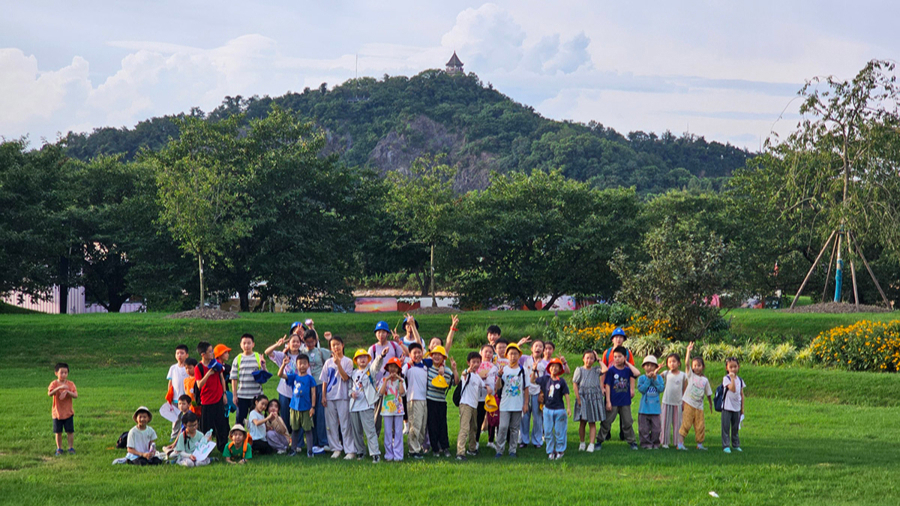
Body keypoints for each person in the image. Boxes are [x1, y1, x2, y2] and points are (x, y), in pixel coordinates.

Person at [599, 346, 641, 450]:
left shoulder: (627, 370)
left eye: (619, 356)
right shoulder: (611, 370)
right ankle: (599, 440)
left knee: (627, 422)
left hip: (625, 402)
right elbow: (608, 386)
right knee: (607, 422)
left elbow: (637, 373)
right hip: (613, 402)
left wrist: (628, 364)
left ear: (625, 357)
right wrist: (608, 401)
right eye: (615, 357)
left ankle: (632, 441)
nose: (617, 359)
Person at [369, 321, 407, 435]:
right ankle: (375, 439)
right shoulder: (373, 349)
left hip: (393, 385)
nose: (381, 335)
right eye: (378, 332)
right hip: (379, 385)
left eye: (383, 332)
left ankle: (395, 438)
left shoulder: (394, 346)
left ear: (387, 334)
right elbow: (370, 368)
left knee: (393, 411)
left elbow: (404, 355)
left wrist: (401, 361)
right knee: (377, 414)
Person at [321, 336, 356, 459]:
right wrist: (323, 395)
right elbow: (325, 380)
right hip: (330, 397)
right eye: (333, 345)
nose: (336, 347)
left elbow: (346, 378)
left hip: (343, 396)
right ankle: (336, 448)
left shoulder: (348, 361)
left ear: (343, 345)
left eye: (338, 344)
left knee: (345, 424)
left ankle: (350, 450)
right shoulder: (328, 362)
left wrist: (338, 364)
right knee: (331, 424)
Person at [350, 348, 386, 463]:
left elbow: (376, 365)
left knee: (370, 431)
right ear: (356, 360)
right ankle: (360, 451)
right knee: (356, 431)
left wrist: (381, 356)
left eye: (364, 357)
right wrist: (351, 394)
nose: (362, 360)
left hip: (367, 405)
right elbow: (349, 387)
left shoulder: (370, 371)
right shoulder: (353, 373)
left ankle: (375, 453)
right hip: (354, 406)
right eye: (359, 358)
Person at [277, 353, 317, 457]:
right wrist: (283, 365)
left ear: (308, 365)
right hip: (294, 407)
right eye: (300, 364)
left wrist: (312, 407)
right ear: (296, 365)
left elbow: (313, 393)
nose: (302, 366)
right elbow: (280, 375)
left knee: (308, 429)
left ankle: (310, 450)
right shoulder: (294, 377)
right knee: (294, 429)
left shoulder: (310, 378)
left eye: (304, 364)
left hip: (306, 408)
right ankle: (293, 449)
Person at [494, 343, 530, 458]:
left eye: (515, 354)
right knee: (503, 427)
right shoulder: (503, 370)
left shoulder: (523, 370)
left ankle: (512, 450)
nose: (513, 356)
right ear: (507, 356)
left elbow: (526, 388)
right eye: (511, 354)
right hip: (505, 404)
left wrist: (525, 404)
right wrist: (499, 376)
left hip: (518, 404)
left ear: (519, 355)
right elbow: (498, 387)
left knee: (515, 428)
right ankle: (499, 450)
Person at [599, 328, 634, 442]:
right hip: (610, 386)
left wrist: (632, 389)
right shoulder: (607, 353)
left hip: (623, 388)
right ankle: (605, 434)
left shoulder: (627, 353)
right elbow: (603, 370)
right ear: (612, 339)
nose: (618, 339)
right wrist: (602, 386)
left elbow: (632, 373)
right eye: (616, 337)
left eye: (621, 337)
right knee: (608, 412)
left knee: (625, 414)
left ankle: (624, 434)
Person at [264, 333, 304, 432]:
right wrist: (277, 344)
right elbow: (267, 352)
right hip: (284, 391)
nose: (295, 344)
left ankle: (296, 439)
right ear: (289, 343)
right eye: (293, 341)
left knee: (297, 417)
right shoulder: (283, 355)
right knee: (284, 416)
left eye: (297, 342)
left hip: (298, 392)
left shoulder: (303, 356)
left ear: (300, 344)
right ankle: (285, 437)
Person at [678, 342, 714, 451]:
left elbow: (708, 393)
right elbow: (687, 364)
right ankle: (680, 444)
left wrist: (710, 404)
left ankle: (700, 444)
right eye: (695, 366)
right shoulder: (691, 376)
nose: (697, 368)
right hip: (689, 403)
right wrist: (688, 351)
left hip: (699, 406)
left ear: (703, 367)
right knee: (686, 423)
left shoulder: (705, 380)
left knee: (700, 425)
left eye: (699, 365)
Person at [196, 341, 230, 453]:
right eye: (210, 351)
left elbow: (221, 377)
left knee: (222, 427)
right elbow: (199, 384)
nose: (212, 354)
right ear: (203, 354)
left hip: (218, 399)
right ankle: (205, 450)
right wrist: (208, 373)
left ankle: (223, 448)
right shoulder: (199, 367)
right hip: (206, 402)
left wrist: (224, 394)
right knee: (206, 428)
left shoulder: (215, 363)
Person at [425, 346, 458, 457]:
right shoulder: (428, 369)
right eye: (434, 354)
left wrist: (454, 370)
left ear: (443, 357)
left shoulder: (448, 371)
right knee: (432, 426)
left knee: (442, 425)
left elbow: (455, 382)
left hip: (441, 401)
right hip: (430, 400)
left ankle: (445, 447)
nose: (437, 356)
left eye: (440, 355)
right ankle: (435, 449)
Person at [301, 329, 331, 450]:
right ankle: (312, 442)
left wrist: (330, 340)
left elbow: (335, 353)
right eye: (307, 342)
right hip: (307, 386)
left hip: (319, 384)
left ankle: (323, 441)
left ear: (316, 340)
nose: (310, 345)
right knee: (310, 414)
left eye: (312, 342)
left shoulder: (320, 351)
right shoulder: (302, 352)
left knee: (320, 414)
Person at [573, 350, 607, 453]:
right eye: (587, 358)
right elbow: (575, 384)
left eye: (591, 358)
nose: (589, 360)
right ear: (583, 359)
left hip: (594, 398)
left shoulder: (596, 370)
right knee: (582, 422)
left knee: (592, 422)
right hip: (583, 398)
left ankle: (591, 444)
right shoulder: (579, 370)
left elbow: (605, 369)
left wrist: (599, 359)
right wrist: (578, 398)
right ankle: (582, 443)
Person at [536, 358, 570, 460]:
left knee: (560, 431)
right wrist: (534, 370)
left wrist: (568, 408)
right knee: (547, 431)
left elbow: (567, 394)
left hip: (559, 409)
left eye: (556, 366)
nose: (554, 368)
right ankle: (550, 451)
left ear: (560, 369)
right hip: (547, 409)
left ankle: (560, 450)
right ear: (548, 368)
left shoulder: (562, 381)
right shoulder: (545, 379)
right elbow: (533, 380)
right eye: (552, 366)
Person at [232, 334, 266, 425]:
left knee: (256, 419)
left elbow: (264, 374)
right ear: (240, 345)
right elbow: (234, 379)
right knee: (240, 420)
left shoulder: (258, 356)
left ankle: (256, 438)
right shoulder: (237, 359)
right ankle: (238, 438)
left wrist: (263, 365)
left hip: (256, 395)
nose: (246, 345)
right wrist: (234, 395)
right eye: (244, 343)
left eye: (249, 343)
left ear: (253, 344)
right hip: (242, 395)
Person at [456, 352, 485, 461]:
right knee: (464, 428)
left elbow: (484, 385)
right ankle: (460, 452)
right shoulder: (467, 374)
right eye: (473, 362)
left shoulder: (477, 377)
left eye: (478, 362)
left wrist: (490, 388)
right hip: (465, 404)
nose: (476, 364)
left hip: (474, 406)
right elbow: (464, 373)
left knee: (474, 428)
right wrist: (468, 370)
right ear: (468, 363)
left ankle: (472, 449)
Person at [403, 342, 429, 459]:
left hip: (424, 399)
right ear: (410, 354)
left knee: (422, 426)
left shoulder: (424, 366)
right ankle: (413, 450)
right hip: (413, 399)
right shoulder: (408, 367)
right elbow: (401, 374)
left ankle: (419, 446)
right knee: (415, 425)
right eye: (415, 353)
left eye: (419, 352)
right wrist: (407, 364)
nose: (417, 355)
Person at [378, 358, 406, 462]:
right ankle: (389, 454)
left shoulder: (401, 380)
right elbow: (381, 392)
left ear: (399, 369)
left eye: (395, 367)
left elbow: (402, 393)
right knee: (388, 432)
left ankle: (398, 454)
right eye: (391, 367)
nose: (393, 369)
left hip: (398, 410)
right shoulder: (384, 379)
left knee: (398, 432)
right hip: (387, 410)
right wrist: (386, 380)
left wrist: (400, 380)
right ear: (388, 368)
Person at [48, 362, 78, 456]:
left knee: (70, 431)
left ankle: (71, 448)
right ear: (56, 373)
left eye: (66, 372)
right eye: (62, 372)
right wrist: (59, 388)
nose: (64, 374)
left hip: (68, 413)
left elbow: (76, 395)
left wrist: (68, 392)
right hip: (57, 413)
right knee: (58, 432)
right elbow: (50, 393)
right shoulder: (54, 383)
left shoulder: (70, 384)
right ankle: (59, 448)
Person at [519, 340, 544, 449]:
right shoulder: (525, 359)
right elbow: (511, 354)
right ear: (531, 349)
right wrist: (519, 344)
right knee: (524, 416)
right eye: (536, 346)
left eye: (540, 346)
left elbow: (546, 380)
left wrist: (542, 394)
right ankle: (524, 440)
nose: (538, 348)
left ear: (543, 349)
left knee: (537, 417)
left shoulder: (545, 363)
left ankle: (537, 440)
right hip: (525, 392)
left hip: (537, 392)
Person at [637, 355, 666, 449]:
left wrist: (654, 379)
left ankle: (655, 443)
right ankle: (646, 444)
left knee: (656, 429)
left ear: (655, 367)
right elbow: (642, 389)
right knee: (643, 429)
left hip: (655, 409)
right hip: (644, 409)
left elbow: (661, 388)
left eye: (652, 365)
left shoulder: (659, 378)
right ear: (643, 367)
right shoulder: (641, 378)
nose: (649, 367)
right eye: (647, 365)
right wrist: (648, 379)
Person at [659, 353, 686, 449]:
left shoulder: (683, 375)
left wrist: (684, 402)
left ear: (679, 363)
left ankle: (677, 442)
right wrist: (658, 368)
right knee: (665, 422)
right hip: (666, 401)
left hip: (678, 402)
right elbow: (655, 377)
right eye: (669, 362)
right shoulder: (666, 373)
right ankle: (664, 441)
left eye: (674, 361)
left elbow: (684, 389)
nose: (672, 364)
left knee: (678, 423)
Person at [475, 344, 499, 449]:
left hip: (491, 396)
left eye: (490, 352)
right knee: (479, 418)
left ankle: (490, 440)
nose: (488, 354)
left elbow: (496, 381)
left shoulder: (494, 367)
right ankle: (476, 440)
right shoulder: (477, 365)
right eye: (486, 351)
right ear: (481, 353)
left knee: (491, 419)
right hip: (479, 396)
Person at [721, 357, 746, 453]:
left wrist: (742, 407)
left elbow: (741, 393)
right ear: (727, 368)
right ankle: (726, 445)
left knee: (735, 428)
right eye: (730, 367)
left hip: (736, 407)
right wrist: (731, 378)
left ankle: (736, 445)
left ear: (738, 367)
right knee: (726, 427)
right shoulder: (726, 379)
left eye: (735, 366)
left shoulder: (740, 380)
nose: (733, 369)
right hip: (727, 407)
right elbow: (732, 389)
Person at [213, 343, 235, 418]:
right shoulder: (214, 366)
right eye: (225, 352)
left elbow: (231, 380)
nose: (227, 354)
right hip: (217, 393)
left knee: (225, 415)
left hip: (225, 392)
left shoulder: (227, 367)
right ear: (220, 354)